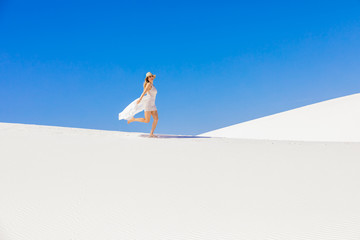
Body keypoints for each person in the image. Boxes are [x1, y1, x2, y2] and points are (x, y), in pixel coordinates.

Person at [118, 72, 159, 138]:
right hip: (148, 104)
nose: (151, 77)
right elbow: (144, 92)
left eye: (151, 76)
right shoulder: (148, 84)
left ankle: (151, 133)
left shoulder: (152, 85)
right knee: (147, 120)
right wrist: (140, 99)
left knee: (156, 119)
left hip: (153, 104)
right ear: (147, 79)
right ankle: (133, 119)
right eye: (149, 77)